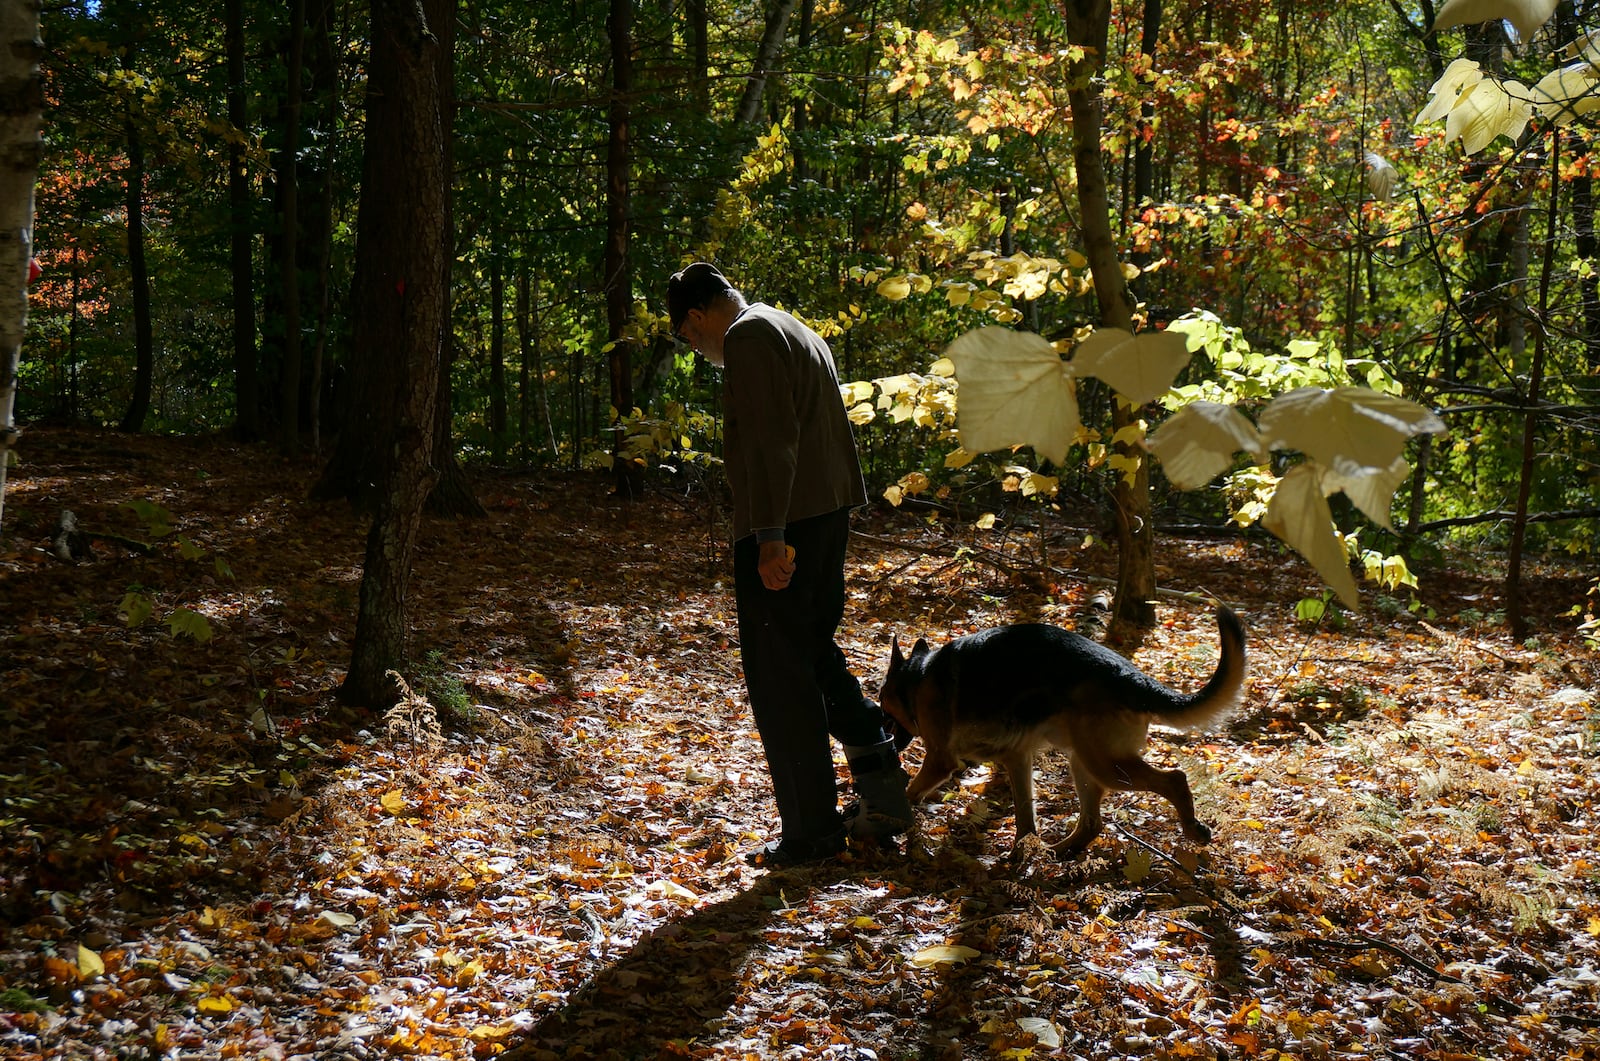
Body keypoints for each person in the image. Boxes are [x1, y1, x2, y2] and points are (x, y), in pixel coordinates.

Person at [667, 261, 913, 867]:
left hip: (786, 527)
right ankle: (877, 762)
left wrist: (770, 538)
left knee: (781, 682)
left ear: (697, 318)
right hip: (824, 516)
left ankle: (812, 830)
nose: (698, 351)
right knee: (811, 652)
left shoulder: (749, 336)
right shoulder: (792, 326)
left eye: (689, 338)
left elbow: (773, 443)